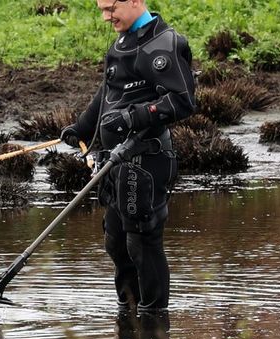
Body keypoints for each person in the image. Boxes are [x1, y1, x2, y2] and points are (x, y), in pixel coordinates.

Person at [60, 0, 195, 314]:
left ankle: (154, 320)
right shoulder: (122, 42)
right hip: (114, 161)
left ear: (135, 1)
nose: (106, 17)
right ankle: (128, 313)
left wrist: (134, 117)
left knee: (142, 241)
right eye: (102, 10)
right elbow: (110, 91)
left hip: (147, 160)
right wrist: (82, 127)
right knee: (116, 241)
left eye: (111, 9)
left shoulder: (164, 44)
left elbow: (182, 101)